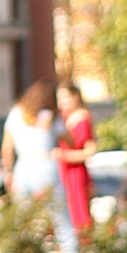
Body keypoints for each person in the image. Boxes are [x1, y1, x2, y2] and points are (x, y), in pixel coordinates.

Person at [2, 79, 84, 253]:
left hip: (24, 165)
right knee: (60, 215)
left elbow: (7, 148)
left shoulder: (17, 113)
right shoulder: (50, 116)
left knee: (19, 217)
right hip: (46, 163)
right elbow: (71, 141)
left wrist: (9, 172)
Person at [55, 83, 95, 239]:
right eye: (59, 99)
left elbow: (89, 151)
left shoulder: (81, 118)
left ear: (75, 96)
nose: (62, 102)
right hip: (62, 171)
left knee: (79, 212)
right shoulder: (62, 118)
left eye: (65, 97)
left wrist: (65, 156)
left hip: (75, 173)